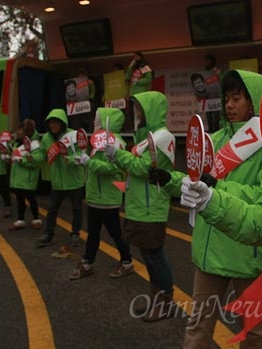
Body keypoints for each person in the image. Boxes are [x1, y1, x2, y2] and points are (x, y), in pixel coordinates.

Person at [150, 70, 262, 348]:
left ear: (254, 101)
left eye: (237, 98)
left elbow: (261, 198)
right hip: (210, 252)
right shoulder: (213, 139)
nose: (229, 105)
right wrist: (171, 181)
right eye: (227, 98)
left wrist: (217, 191)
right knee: (199, 325)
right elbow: (198, 181)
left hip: (247, 256)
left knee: (252, 330)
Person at [104, 91, 176, 322]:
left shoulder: (163, 137)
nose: (136, 114)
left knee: (155, 255)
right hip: (140, 206)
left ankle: (166, 301)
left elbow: (144, 169)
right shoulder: (148, 137)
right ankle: (156, 296)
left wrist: (119, 156)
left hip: (150, 207)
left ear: (151, 110)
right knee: (147, 254)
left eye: (140, 109)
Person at [69, 107, 134, 280]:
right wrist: (82, 162)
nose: (93, 122)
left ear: (106, 121)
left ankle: (127, 262)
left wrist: (89, 163)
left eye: (97, 118)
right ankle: (88, 263)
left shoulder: (115, 142)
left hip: (107, 197)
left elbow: (112, 169)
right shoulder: (96, 140)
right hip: (95, 197)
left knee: (115, 233)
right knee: (93, 233)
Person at [31, 109, 85, 248]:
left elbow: (82, 152)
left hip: (74, 180)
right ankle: (48, 234)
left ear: (62, 123)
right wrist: (33, 158)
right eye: (50, 123)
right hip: (57, 182)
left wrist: (71, 159)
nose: (53, 125)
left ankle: (75, 233)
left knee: (77, 209)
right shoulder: (46, 139)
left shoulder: (73, 134)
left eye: (55, 123)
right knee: (52, 209)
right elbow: (42, 155)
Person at [7, 119, 43, 231]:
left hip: (28, 178)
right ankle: (20, 219)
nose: (17, 132)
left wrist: (22, 161)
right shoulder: (18, 143)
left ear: (27, 131)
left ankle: (36, 219)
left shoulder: (35, 145)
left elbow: (36, 161)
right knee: (19, 199)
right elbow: (14, 155)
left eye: (20, 130)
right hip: (18, 177)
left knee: (31, 199)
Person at [203, 54, 222, 132]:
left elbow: (221, 81)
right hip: (208, 96)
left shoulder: (217, 70)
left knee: (216, 115)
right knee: (209, 114)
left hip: (216, 96)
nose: (206, 63)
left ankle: (216, 130)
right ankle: (210, 129)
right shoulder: (204, 72)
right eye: (205, 61)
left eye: (208, 61)